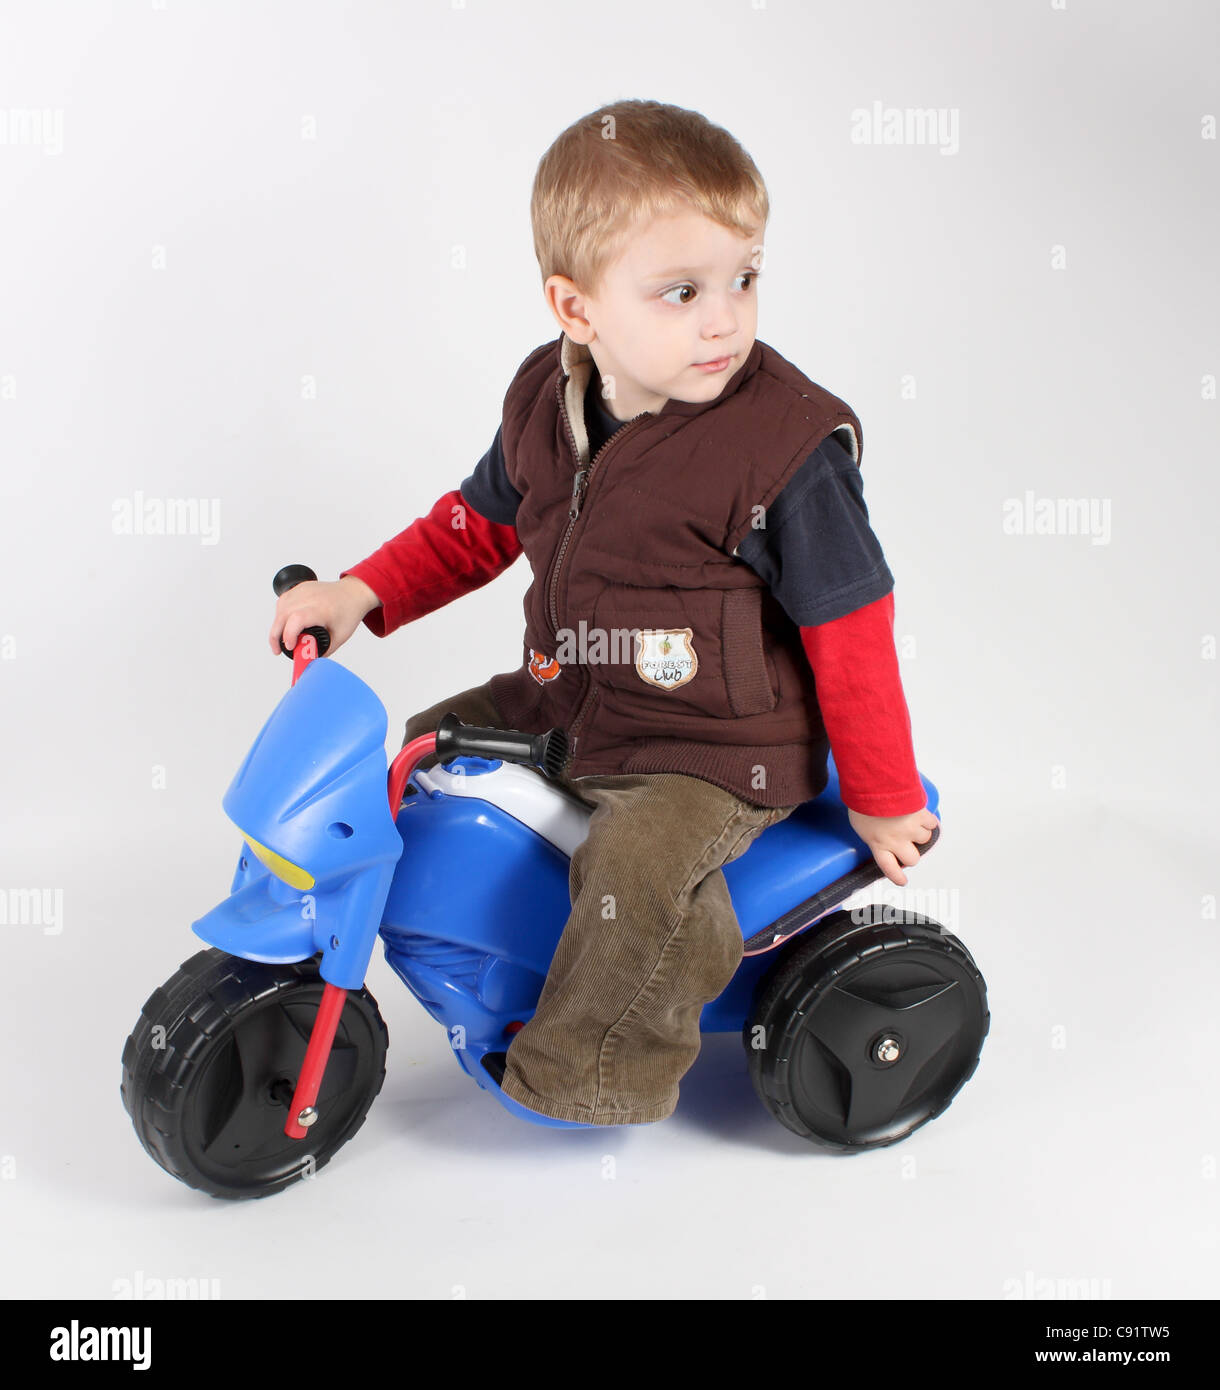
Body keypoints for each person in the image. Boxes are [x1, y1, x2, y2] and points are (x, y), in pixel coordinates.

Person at [268, 99, 940, 1127]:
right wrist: (359, 590)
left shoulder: (783, 452)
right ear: (575, 310)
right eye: (680, 292)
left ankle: (589, 1070)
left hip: (715, 742)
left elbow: (850, 630)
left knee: (640, 869)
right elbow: (471, 526)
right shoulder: (548, 401)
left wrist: (883, 794)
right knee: (416, 758)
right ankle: (482, 948)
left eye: (742, 280)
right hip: (570, 688)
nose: (723, 318)